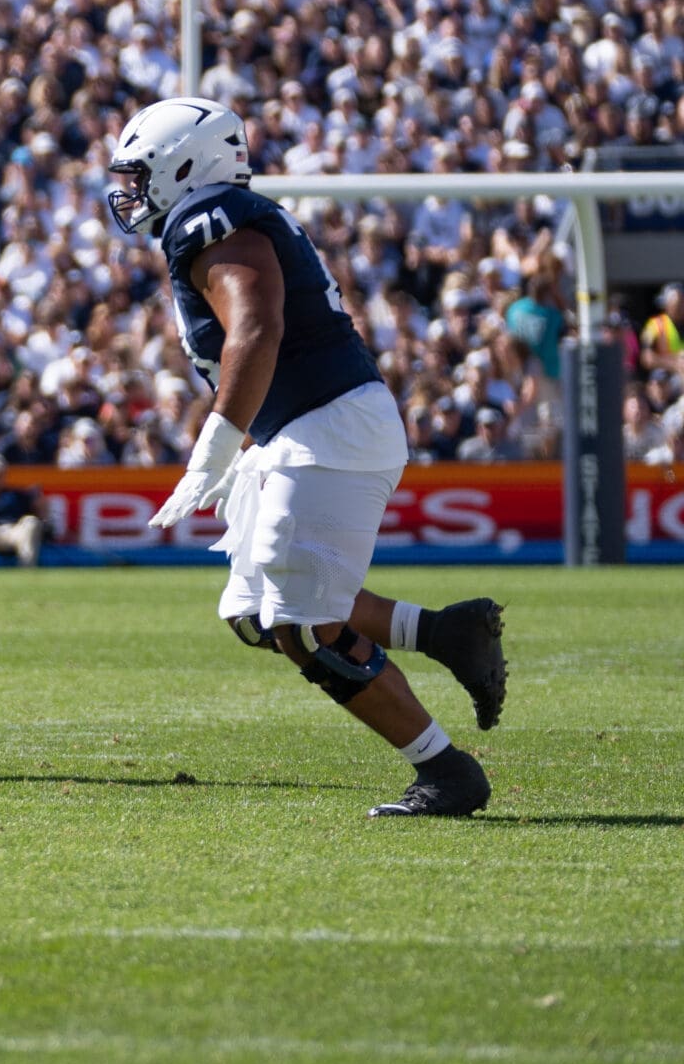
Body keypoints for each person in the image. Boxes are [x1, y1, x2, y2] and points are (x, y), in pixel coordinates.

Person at [109, 96, 504, 819]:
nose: (129, 190)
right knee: (258, 612)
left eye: (139, 173)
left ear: (183, 165)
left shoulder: (212, 219)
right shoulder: (221, 217)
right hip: (311, 426)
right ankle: (446, 632)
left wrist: (217, 443)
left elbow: (256, 329)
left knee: (303, 629)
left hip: (326, 427)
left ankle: (446, 771)